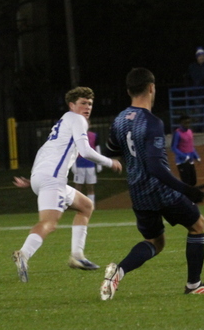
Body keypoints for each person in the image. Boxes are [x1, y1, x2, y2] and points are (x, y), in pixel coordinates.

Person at [99, 68, 204, 300]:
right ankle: (193, 285)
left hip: (137, 192)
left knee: (155, 242)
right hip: (160, 190)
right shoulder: (152, 122)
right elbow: (156, 168)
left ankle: (119, 271)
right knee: (197, 225)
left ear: (129, 91)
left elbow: (111, 152)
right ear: (151, 88)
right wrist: (188, 190)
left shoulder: (118, 121)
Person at [12, 87, 122, 282]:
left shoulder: (63, 122)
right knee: (49, 223)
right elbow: (85, 151)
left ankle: (77, 257)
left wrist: (35, 179)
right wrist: (109, 162)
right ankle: (24, 254)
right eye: (83, 103)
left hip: (45, 177)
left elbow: (45, 151)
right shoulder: (76, 119)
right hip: (52, 179)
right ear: (72, 105)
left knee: (86, 205)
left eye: (90, 104)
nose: (87, 107)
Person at [73, 128, 101, 205]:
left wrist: (99, 164)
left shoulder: (94, 136)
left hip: (90, 164)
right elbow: (72, 150)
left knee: (90, 186)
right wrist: (73, 165)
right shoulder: (76, 136)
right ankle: (77, 205)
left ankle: (91, 205)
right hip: (79, 164)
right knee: (78, 186)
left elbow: (97, 150)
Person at [171, 114, 200, 187]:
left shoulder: (190, 132)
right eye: (185, 123)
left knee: (193, 181)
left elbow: (191, 146)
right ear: (181, 123)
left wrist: (196, 156)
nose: (187, 125)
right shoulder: (177, 133)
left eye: (188, 123)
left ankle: (190, 196)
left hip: (190, 161)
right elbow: (173, 148)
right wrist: (184, 156)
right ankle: (186, 197)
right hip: (182, 161)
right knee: (186, 182)